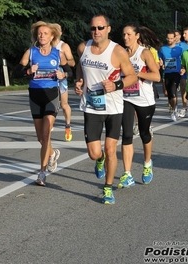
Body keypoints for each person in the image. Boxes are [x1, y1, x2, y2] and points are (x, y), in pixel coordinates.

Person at [74, 15, 137, 204]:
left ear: (108, 29)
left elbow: (132, 76)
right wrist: (78, 81)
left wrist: (116, 85)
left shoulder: (117, 51)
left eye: (100, 28)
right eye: (93, 28)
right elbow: (81, 66)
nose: (97, 31)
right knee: (94, 153)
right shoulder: (82, 48)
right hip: (92, 107)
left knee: (111, 149)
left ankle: (108, 188)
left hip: (113, 107)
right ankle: (99, 160)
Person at [13, 21, 72, 186]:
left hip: (51, 95)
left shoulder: (57, 54)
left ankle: (41, 173)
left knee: (46, 134)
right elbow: (16, 72)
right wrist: (28, 71)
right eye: (40, 33)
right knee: (40, 138)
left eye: (45, 33)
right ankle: (52, 154)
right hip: (35, 96)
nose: (42, 36)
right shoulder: (31, 52)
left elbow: (69, 71)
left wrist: (63, 75)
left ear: (52, 36)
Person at [118, 23, 160, 189]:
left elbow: (156, 76)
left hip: (145, 100)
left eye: (129, 34)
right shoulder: (120, 53)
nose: (125, 38)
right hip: (126, 98)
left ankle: (147, 163)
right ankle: (127, 174)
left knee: (144, 133)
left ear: (137, 36)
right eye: (124, 35)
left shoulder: (145, 53)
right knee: (127, 134)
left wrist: (137, 74)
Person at [52, 23, 75, 141]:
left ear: (61, 33)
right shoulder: (45, 44)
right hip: (48, 79)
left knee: (63, 104)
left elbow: (73, 63)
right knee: (50, 105)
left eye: (59, 30)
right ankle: (49, 125)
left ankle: (67, 126)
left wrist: (64, 61)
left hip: (61, 78)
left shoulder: (64, 46)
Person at [158, 30, 183, 121]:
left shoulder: (180, 49)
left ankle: (174, 110)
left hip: (176, 73)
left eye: (171, 38)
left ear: (174, 38)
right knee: (168, 94)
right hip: (167, 73)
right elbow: (159, 58)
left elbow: (184, 59)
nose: (169, 40)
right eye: (168, 38)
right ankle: (174, 107)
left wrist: (183, 68)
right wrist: (160, 62)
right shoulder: (163, 49)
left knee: (172, 91)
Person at [177, 27, 188, 118]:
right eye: (183, 33)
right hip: (184, 70)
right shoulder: (180, 45)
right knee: (183, 86)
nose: (183, 35)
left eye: (185, 33)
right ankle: (184, 107)